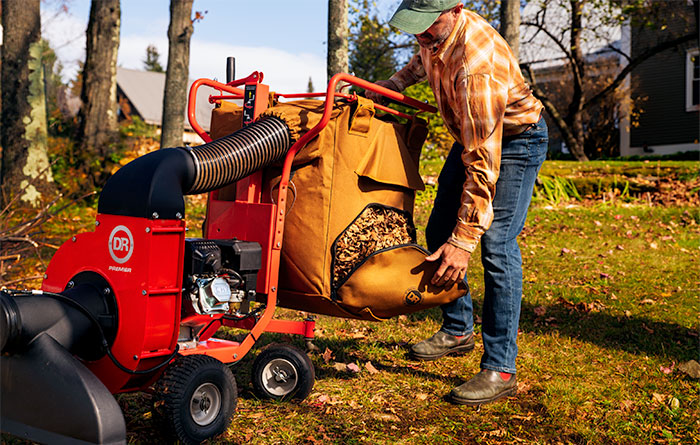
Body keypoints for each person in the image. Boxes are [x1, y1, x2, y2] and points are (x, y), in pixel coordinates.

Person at [365, 0, 548, 406]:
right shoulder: (435, 38)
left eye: (427, 26)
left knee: (496, 246)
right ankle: (458, 328)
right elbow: (419, 63)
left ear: (456, 9)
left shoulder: (475, 66)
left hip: (514, 142)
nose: (421, 36)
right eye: (414, 28)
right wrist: (383, 89)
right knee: (437, 229)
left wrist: (464, 240)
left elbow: (484, 164)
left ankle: (500, 367)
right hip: (470, 136)